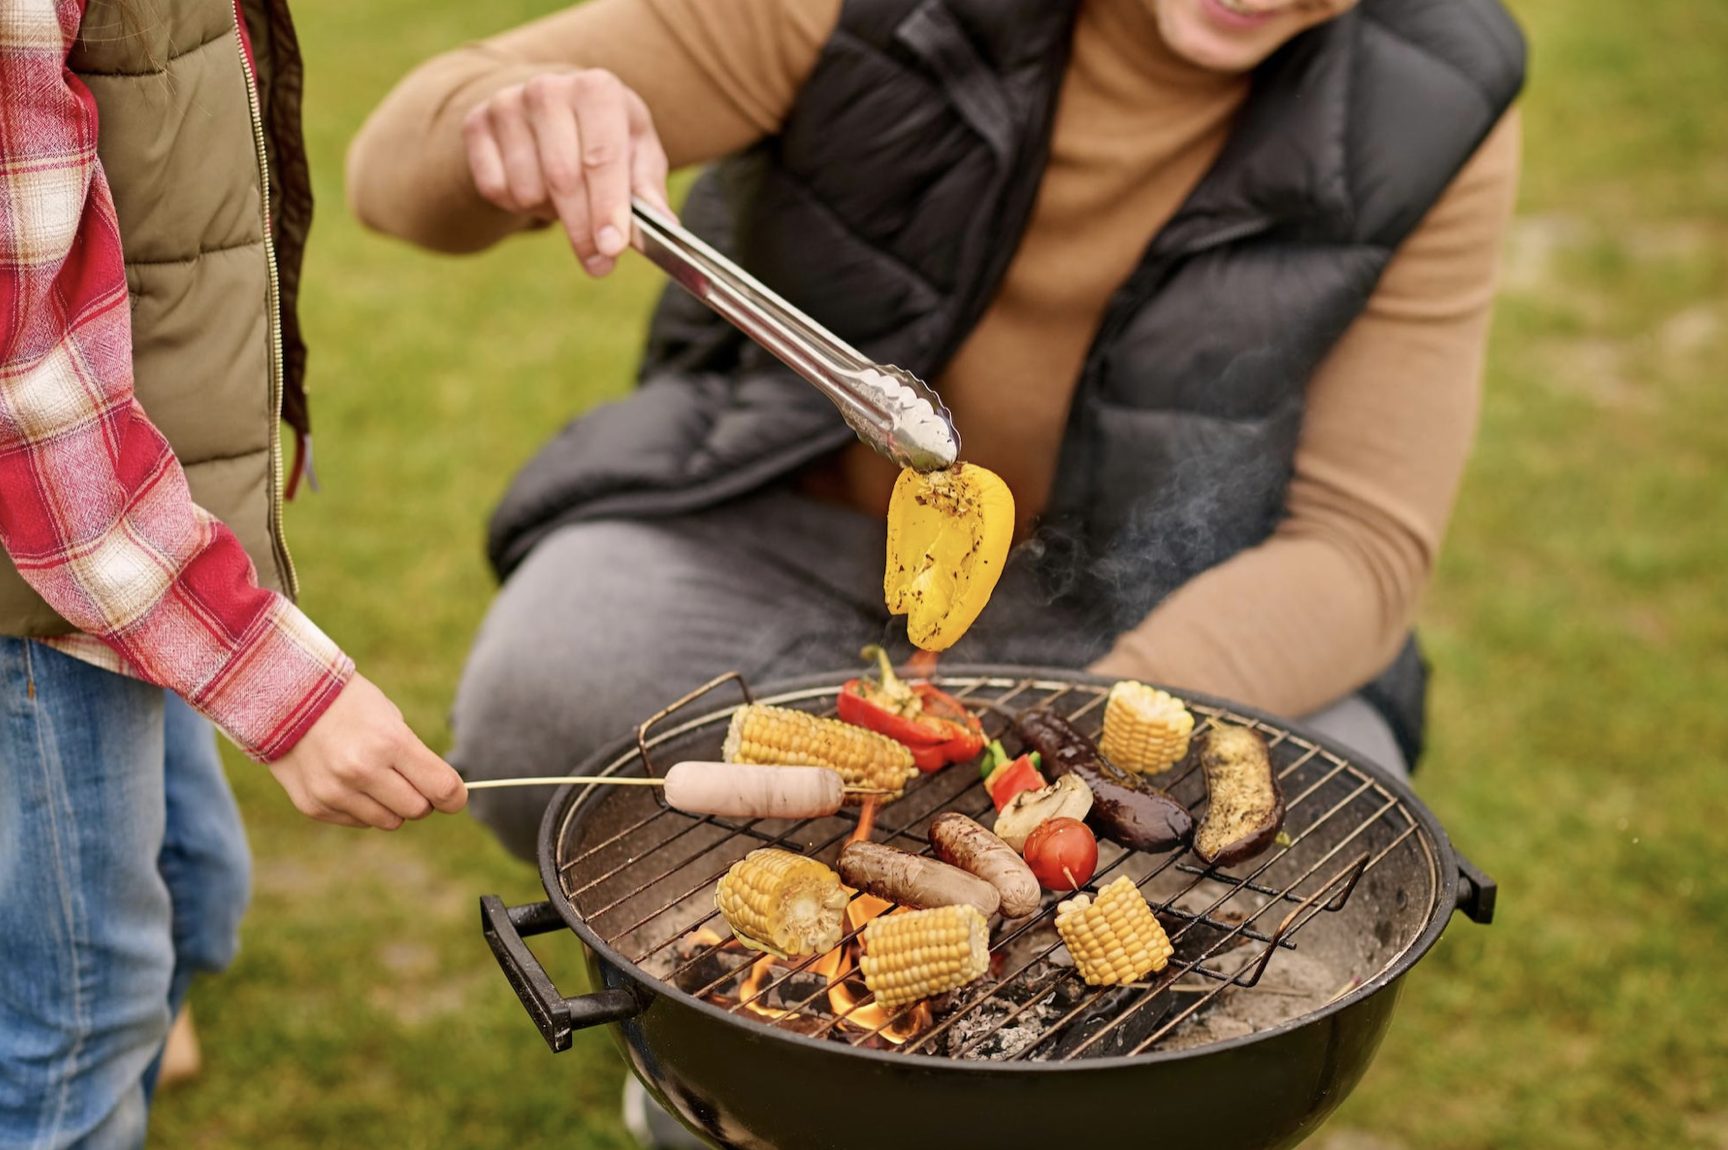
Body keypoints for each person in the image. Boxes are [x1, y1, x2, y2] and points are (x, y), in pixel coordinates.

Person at [351, 0, 1520, 1136]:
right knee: (551, 686)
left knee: (1343, 811)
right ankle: (739, 1063)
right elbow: (389, 178)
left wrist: (1073, 746)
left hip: (1139, 615)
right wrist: (496, 122)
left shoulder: (1432, 92)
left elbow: (1359, 545)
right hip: (799, 534)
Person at [0, 1, 469, 1146]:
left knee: (195, 897)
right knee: (78, 1011)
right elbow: (22, 393)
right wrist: (281, 690)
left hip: (127, 534)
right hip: (38, 579)